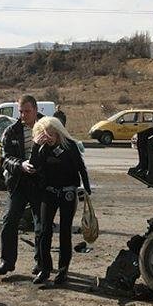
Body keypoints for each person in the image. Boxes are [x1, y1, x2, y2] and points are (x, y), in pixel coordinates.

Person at [30, 117, 91, 284]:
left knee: (65, 232)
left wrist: (86, 189)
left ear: (58, 133)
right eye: (44, 134)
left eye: (51, 134)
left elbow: (81, 168)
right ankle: (45, 269)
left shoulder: (70, 147)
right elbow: (33, 167)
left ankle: (63, 270)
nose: (48, 138)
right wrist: (36, 145)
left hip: (67, 193)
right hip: (49, 192)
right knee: (44, 231)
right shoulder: (42, 149)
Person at [0, 95, 43, 276]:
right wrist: (20, 165)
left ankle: (41, 263)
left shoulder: (48, 128)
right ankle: (7, 262)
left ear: (36, 110)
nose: (23, 115)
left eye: (27, 111)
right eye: (21, 112)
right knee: (9, 220)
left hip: (40, 184)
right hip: (18, 182)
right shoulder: (11, 131)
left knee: (41, 224)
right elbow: (5, 159)